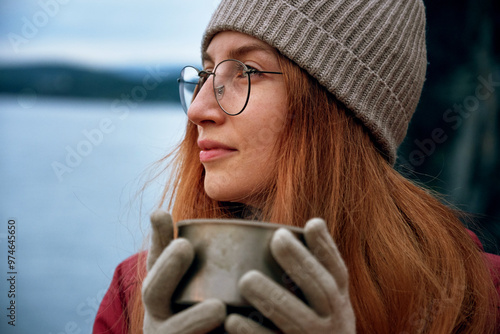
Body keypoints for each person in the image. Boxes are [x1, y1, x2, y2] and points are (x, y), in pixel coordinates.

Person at [93, 0, 500, 333]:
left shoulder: (478, 299)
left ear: (339, 110)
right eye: (207, 73)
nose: (198, 108)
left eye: (246, 72)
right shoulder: (138, 295)